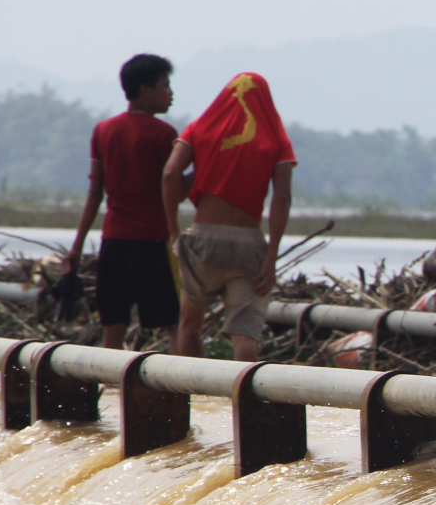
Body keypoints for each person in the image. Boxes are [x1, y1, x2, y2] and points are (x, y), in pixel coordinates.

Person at [164, 72, 296, 361]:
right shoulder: (276, 137)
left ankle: (196, 401)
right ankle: (239, 405)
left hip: (204, 239)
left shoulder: (199, 129)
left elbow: (171, 173)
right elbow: (282, 196)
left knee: (189, 323)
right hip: (248, 244)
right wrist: (271, 255)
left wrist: (173, 228)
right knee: (245, 335)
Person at [66, 54, 181, 348]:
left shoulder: (103, 131)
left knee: (114, 325)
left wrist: (77, 247)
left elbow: (95, 193)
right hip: (154, 241)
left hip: (114, 240)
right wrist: (206, 170)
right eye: (165, 86)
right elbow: (176, 188)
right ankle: (184, 391)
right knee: (173, 323)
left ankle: (111, 389)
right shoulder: (164, 134)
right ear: (145, 90)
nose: (171, 93)